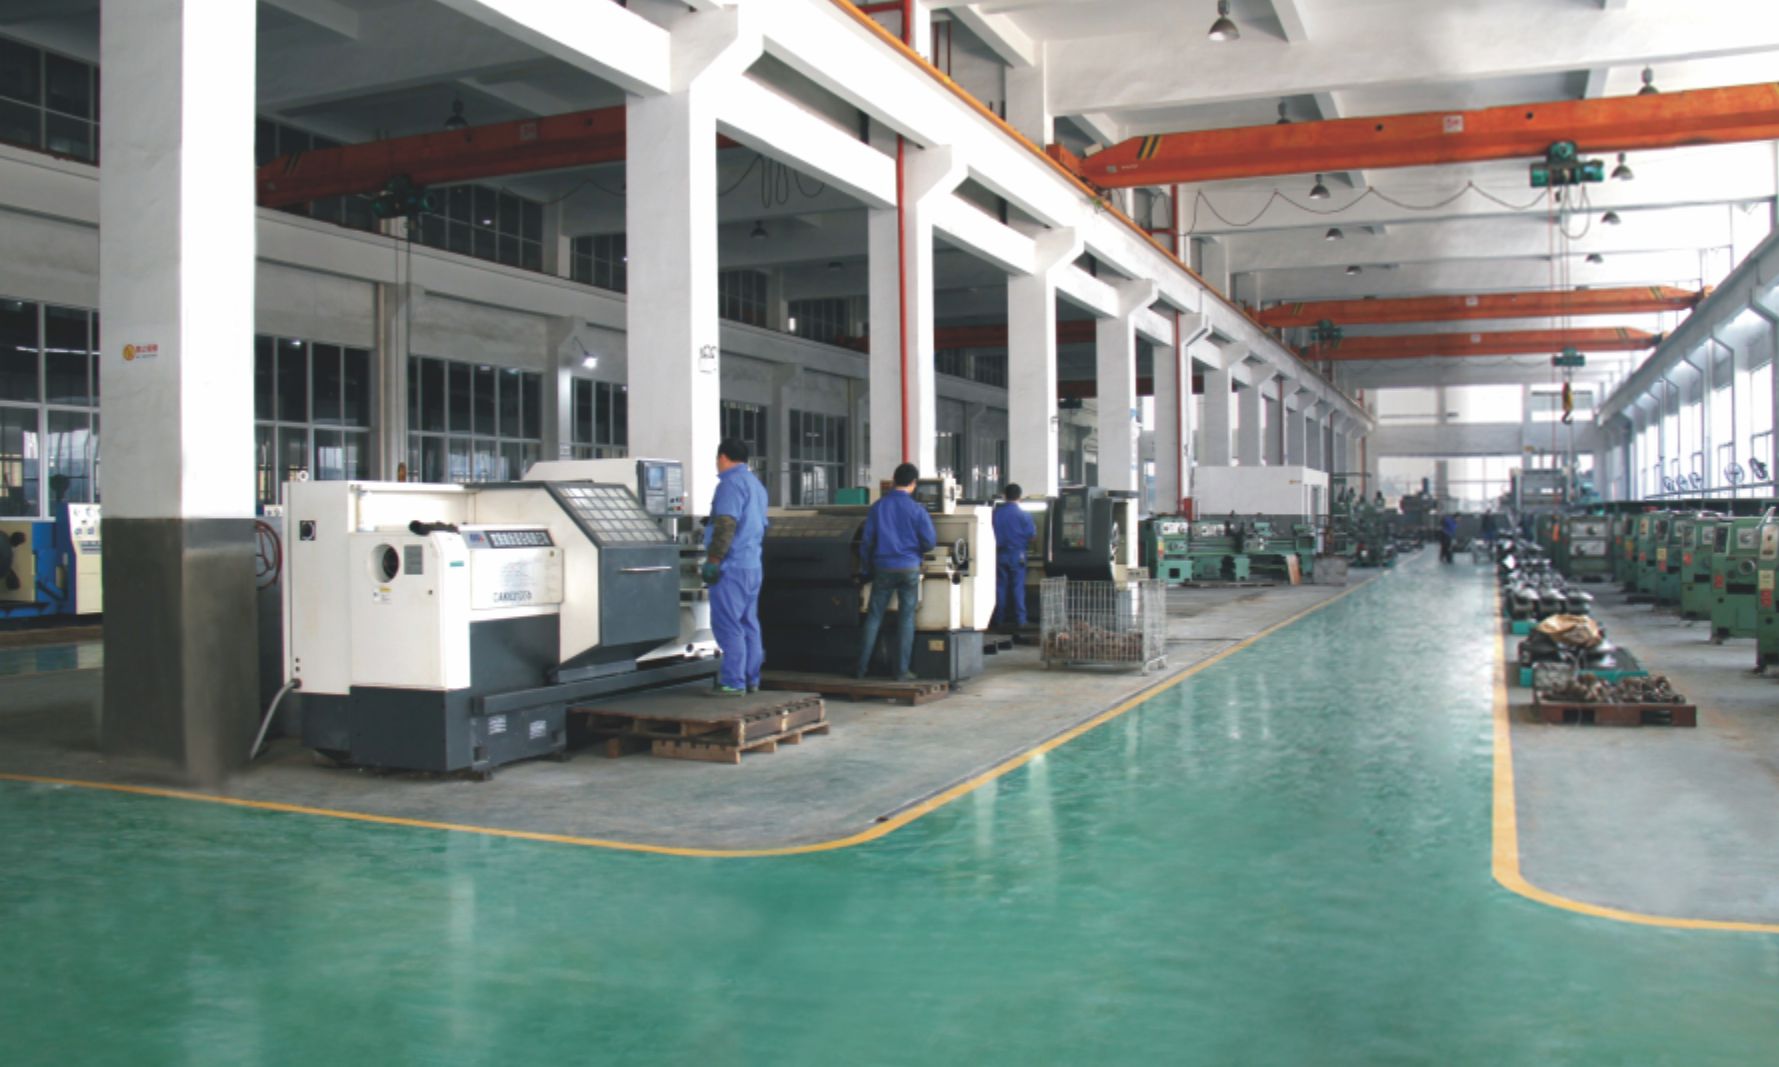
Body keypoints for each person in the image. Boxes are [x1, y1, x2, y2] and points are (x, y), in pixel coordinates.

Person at [856, 462, 937, 680]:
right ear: (913, 484)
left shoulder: (878, 507)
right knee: (906, 619)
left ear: (893, 481)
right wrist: (915, 550)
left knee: (874, 617)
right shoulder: (917, 509)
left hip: (883, 567)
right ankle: (901, 671)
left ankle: (861, 669)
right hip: (909, 568)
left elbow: (867, 542)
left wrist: (865, 568)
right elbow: (930, 542)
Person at [702, 438, 770, 696]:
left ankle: (733, 682)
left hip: (732, 566)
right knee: (748, 623)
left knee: (728, 624)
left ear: (722, 457)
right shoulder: (756, 485)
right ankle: (751, 679)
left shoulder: (730, 484)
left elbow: (726, 525)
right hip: (752, 565)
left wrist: (713, 560)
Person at [992, 483, 1038, 631]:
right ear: (1020, 497)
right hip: (1018, 554)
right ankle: (1021, 620)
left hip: (999, 554)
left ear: (1004, 496)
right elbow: (1032, 536)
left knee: (1000, 587)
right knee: (1017, 587)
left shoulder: (995, 513)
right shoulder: (1024, 514)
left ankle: (999, 619)